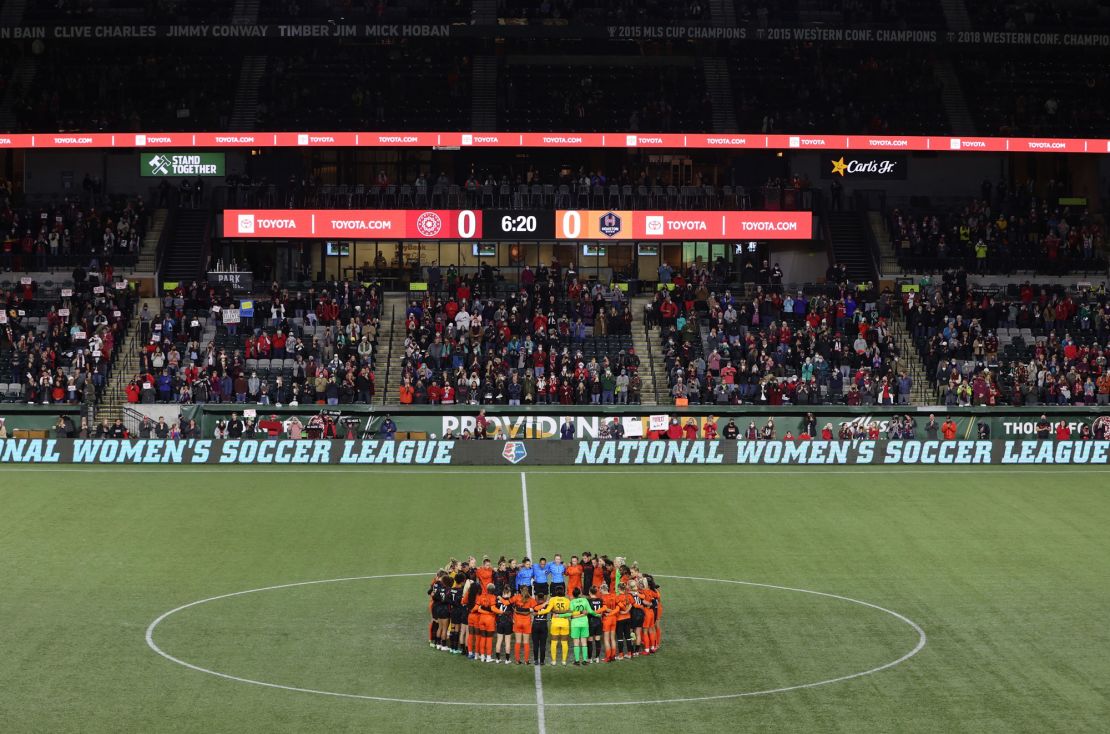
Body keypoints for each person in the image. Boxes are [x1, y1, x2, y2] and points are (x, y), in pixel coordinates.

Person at [534, 586, 573, 665]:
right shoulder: (567, 600)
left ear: (555, 592)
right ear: (563, 592)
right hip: (564, 622)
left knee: (554, 642)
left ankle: (554, 661)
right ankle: (564, 661)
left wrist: (538, 613)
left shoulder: (553, 599)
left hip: (555, 622)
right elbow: (571, 611)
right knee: (564, 642)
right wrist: (563, 612)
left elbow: (547, 610)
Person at [562, 587, 600, 665]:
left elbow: (571, 614)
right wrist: (598, 615)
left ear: (573, 595)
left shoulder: (572, 602)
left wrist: (560, 616)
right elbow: (590, 611)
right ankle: (585, 660)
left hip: (575, 624)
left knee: (576, 643)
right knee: (584, 642)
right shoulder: (585, 600)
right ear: (580, 593)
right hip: (584, 624)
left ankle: (577, 661)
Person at [509, 586, 536, 664]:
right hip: (526, 622)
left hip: (517, 622)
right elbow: (535, 609)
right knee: (526, 642)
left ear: (520, 590)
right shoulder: (531, 599)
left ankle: (517, 660)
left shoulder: (516, 597)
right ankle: (526, 661)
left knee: (517, 642)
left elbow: (509, 603)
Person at [530, 591, 550, 666]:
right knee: (543, 644)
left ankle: (535, 660)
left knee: (535, 644)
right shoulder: (547, 605)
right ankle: (542, 661)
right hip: (543, 624)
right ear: (544, 598)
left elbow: (532, 612)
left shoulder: (534, 604)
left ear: (537, 598)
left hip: (535, 625)